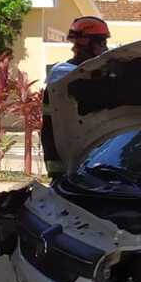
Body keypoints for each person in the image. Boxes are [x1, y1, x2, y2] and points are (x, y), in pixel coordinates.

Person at [43, 16, 112, 180]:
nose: (105, 47)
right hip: (75, 163)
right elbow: (49, 127)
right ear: (90, 44)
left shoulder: (62, 77)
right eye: (102, 42)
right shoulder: (66, 77)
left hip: (93, 163)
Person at [47, 15, 110, 85]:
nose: (73, 49)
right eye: (74, 44)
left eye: (79, 45)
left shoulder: (115, 70)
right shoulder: (64, 72)